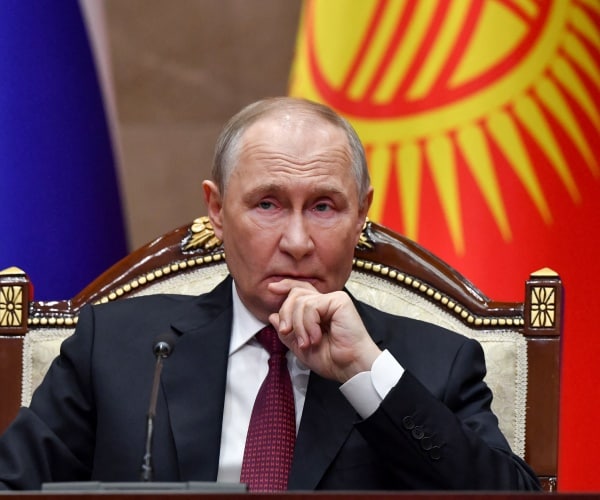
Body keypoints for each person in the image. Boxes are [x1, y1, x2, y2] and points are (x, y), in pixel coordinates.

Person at [0, 97, 540, 491]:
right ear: (217, 210)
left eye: (324, 206)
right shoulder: (116, 348)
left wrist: (366, 372)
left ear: (361, 214)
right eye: (268, 205)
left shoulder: (432, 363)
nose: (298, 242)